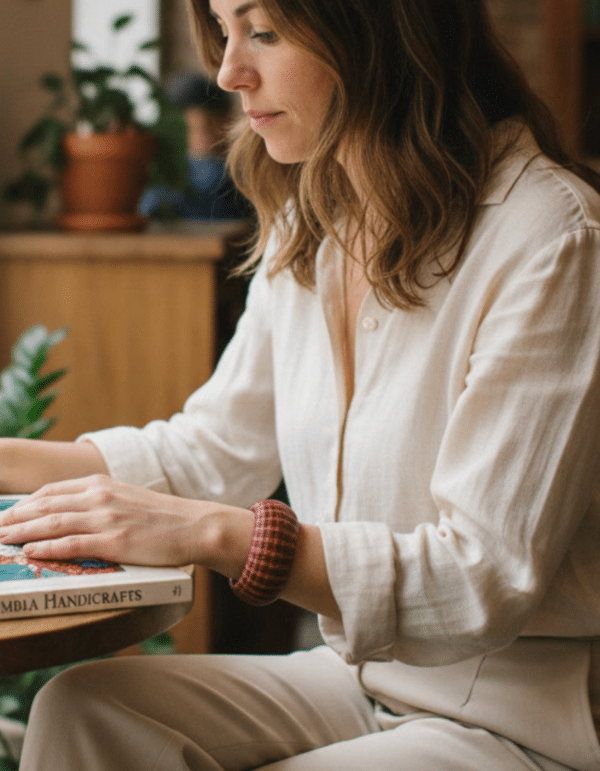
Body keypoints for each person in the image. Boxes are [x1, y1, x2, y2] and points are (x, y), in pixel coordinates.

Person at [4, 0, 600, 768]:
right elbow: (211, 451)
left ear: (380, 29)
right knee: (85, 712)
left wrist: (213, 533)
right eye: (224, 29)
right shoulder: (310, 219)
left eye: (265, 32)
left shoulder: (553, 239)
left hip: (520, 713)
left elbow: (484, 576)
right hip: (357, 677)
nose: (228, 70)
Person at [138, 72, 251, 220]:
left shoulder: (243, 179)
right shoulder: (159, 187)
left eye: (211, 124)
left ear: (227, 120)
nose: (203, 135)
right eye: (192, 128)